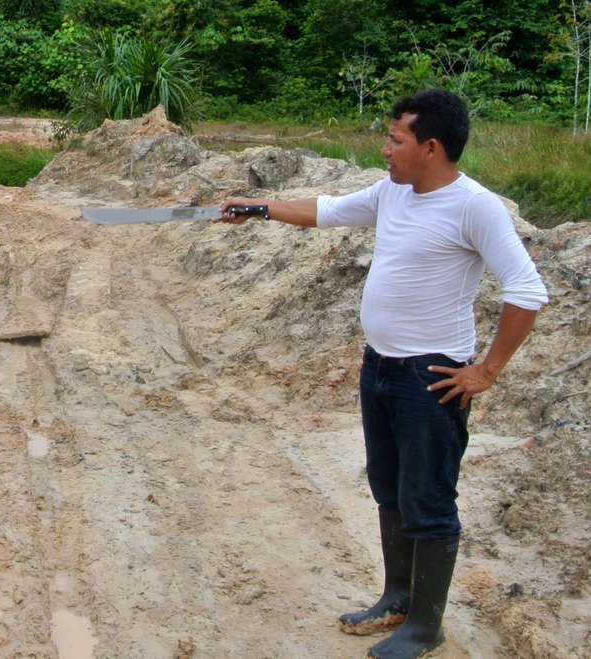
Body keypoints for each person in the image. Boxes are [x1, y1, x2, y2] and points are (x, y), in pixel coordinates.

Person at [218, 88, 547, 659]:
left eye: (396, 139)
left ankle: (426, 626)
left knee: (429, 499)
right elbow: (325, 211)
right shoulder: (393, 192)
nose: (386, 148)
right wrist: (257, 207)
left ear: (431, 146)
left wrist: (485, 371)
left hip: (431, 378)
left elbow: (526, 290)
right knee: (388, 489)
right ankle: (396, 598)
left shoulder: (475, 207)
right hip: (380, 368)